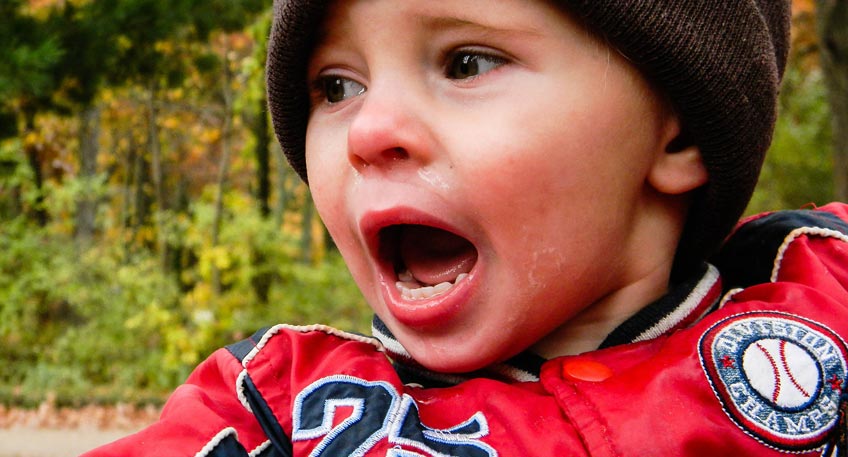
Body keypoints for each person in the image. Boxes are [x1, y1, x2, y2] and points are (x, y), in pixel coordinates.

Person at [85, 0, 848, 455]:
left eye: (467, 64)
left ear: (675, 133)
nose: (369, 131)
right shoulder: (279, 411)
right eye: (337, 86)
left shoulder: (824, 287)